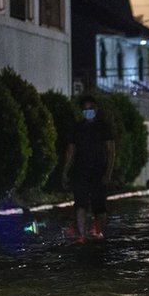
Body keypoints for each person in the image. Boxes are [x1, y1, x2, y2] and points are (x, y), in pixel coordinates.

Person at [62, 95, 115, 242]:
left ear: (96, 109)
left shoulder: (103, 127)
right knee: (80, 204)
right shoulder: (77, 128)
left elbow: (111, 151)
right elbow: (70, 151)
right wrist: (65, 171)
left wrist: (108, 172)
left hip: (99, 171)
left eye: (90, 109)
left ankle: (99, 233)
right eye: (85, 109)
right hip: (80, 171)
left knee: (100, 207)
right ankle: (82, 235)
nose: (88, 112)